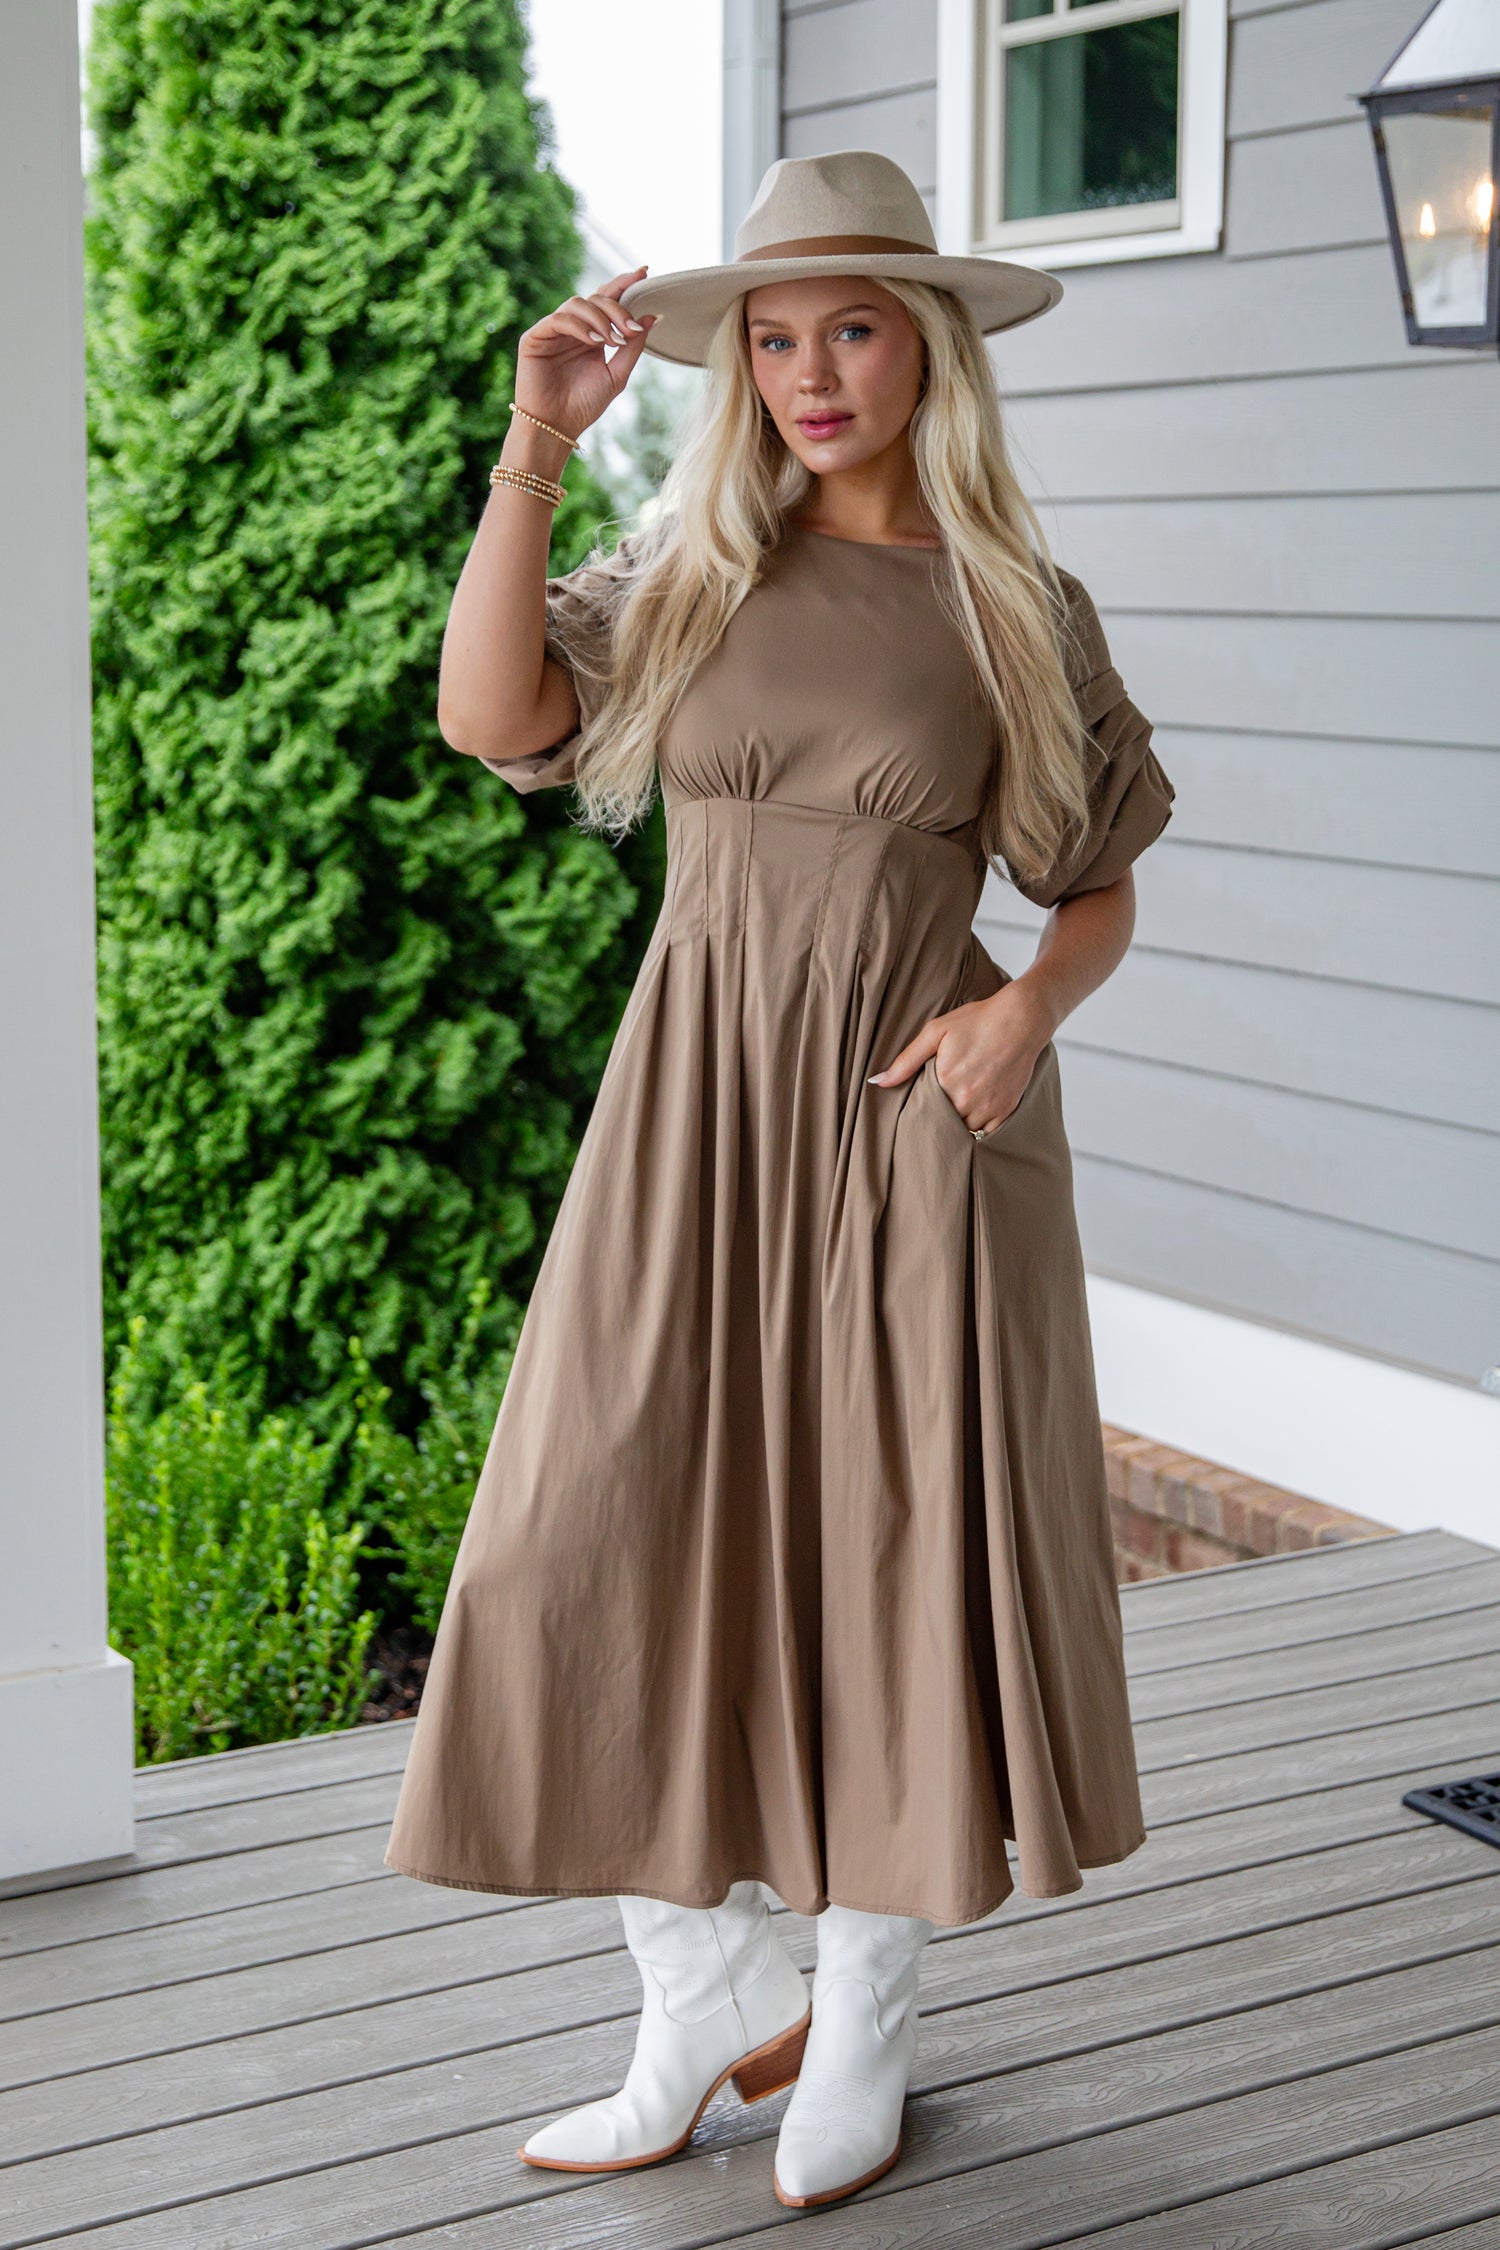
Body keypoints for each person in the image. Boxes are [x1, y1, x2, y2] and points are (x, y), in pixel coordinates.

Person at [385, 149, 1174, 2211]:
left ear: (926, 349)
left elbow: (1090, 890)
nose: (811, 369)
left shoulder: (1015, 607)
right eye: (775, 332)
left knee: (882, 1575)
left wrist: (1024, 1019)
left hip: (919, 1122)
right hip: (693, 1113)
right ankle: (709, 1990)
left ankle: (870, 2018)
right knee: (576, 1539)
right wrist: (533, 447)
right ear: (735, 360)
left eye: (852, 326)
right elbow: (493, 721)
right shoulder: (697, 567)